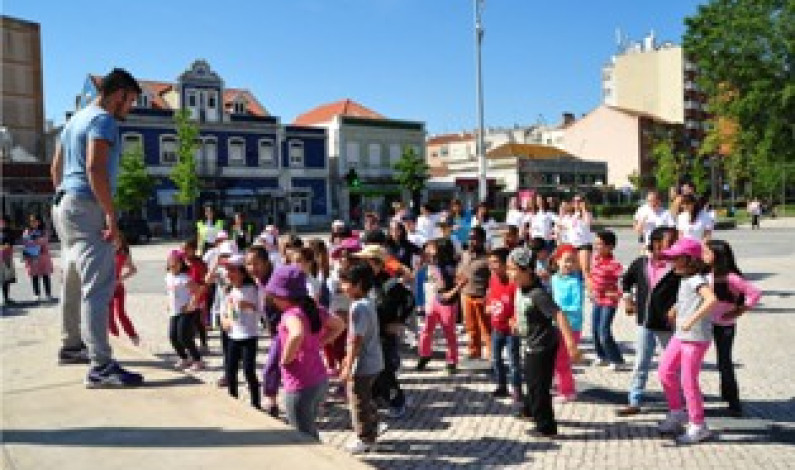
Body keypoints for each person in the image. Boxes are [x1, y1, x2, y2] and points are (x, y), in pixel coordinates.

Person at [50, 68, 144, 386]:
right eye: (130, 101)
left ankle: (70, 346)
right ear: (118, 96)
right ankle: (101, 366)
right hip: (87, 204)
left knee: (73, 280)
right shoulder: (103, 120)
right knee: (98, 286)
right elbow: (95, 166)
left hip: (65, 203)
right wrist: (110, 215)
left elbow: (56, 168)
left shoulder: (76, 118)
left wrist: (65, 198)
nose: (130, 107)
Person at [508, 247, 581, 437]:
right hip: (530, 343)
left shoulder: (538, 294)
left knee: (539, 386)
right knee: (532, 382)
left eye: (513, 269)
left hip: (542, 346)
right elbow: (523, 310)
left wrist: (571, 345)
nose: (510, 273)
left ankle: (546, 426)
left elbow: (558, 314)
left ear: (526, 270)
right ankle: (531, 409)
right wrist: (517, 322)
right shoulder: (521, 288)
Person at [266, 264, 344, 439]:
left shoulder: (291, 314)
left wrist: (285, 359)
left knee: (302, 435)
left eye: (274, 295)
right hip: (319, 380)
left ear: (284, 295)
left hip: (299, 384)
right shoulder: (313, 309)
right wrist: (319, 342)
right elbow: (339, 325)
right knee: (309, 428)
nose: (273, 299)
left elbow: (297, 333)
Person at [657, 238, 718, 444]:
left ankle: (699, 425)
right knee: (665, 371)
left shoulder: (696, 279)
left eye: (675, 258)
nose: (672, 261)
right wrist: (676, 308)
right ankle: (677, 413)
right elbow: (689, 299)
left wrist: (691, 320)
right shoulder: (686, 278)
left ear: (688, 259)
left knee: (688, 381)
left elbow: (711, 299)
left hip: (695, 337)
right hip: (681, 335)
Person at [616, 227, 680, 416]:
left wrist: (677, 307)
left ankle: (677, 402)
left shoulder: (677, 267)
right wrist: (628, 299)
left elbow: (688, 292)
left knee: (672, 366)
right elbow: (625, 281)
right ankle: (634, 401)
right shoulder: (640, 264)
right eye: (671, 241)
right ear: (656, 243)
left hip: (667, 325)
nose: (674, 244)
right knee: (641, 363)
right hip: (644, 322)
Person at [353, 244, 414, 419]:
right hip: (370, 332)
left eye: (365, 260)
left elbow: (409, 300)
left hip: (385, 333)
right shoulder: (366, 280)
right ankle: (377, 397)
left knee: (385, 369)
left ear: (376, 262)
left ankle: (398, 401)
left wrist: (399, 322)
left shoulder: (389, 282)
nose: (361, 263)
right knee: (373, 369)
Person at [703, 240, 761, 417]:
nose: (702, 256)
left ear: (718, 256)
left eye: (706, 253)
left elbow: (755, 293)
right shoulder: (704, 273)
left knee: (724, 362)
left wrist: (740, 310)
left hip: (724, 325)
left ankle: (733, 401)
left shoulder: (730, 277)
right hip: (704, 323)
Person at [339, 261, 386, 454]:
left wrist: (347, 366)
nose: (342, 287)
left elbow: (355, 340)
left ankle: (364, 438)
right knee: (367, 399)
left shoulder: (358, 307)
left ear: (358, 284)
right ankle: (373, 430)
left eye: (346, 283)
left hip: (363, 364)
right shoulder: (368, 302)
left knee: (358, 401)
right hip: (375, 360)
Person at [220, 254, 264, 410]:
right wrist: (224, 320)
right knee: (230, 371)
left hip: (248, 336)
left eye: (232, 270)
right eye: (227, 270)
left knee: (248, 371)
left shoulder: (253, 289)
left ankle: (256, 404)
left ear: (242, 272)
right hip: (232, 336)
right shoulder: (228, 290)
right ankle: (233, 402)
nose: (228, 274)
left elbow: (261, 311)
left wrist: (249, 306)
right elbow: (224, 311)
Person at [417, 238, 463, 374]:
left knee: (449, 334)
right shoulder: (435, 262)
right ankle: (425, 354)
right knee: (426, 329)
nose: (430, 250)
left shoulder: (450, 267)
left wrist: (454, 290)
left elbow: (458, 282)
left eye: (434, 247)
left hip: (448, 303)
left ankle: (452, 362)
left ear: (441, 250)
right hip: (436, 300)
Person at [550, 244, 584, 403]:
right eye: (566, 260)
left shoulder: (575, 282)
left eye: (572, 261)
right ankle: (561, 385)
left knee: (563, 360)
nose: (569, 264)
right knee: (556, 358)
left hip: (571, 325)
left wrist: (558, 309)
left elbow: (576, 305)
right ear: (557, 261)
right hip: (555, 324)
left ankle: (568, 391)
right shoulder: (554, 279)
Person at [487, 247, 521, 401]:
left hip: (511, 331)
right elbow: (490, 294)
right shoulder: (493, 278)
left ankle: (517, 389)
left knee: (513, 361)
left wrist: (514, 318)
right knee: (496, 359)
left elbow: (518, 303)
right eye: (490, 262)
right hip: (496, 327)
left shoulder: (514, 283)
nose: (492, 266)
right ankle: (501, 386)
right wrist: (488, 304)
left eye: (495, 262)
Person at [589, 230, 625, 369]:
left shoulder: (615, 265)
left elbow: (624, 283)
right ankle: (602, 356)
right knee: (595, 330)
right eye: (595, 244)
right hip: (597, 301)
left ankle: (617, 360)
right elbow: (593, 277)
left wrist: (615, 294)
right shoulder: (596, 259)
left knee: (604, 331)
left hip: (609, 303)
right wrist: (592, 291)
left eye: (600, 244)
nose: (596, 247)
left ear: (610, 247)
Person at [458, 226, 492, 360]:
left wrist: (489, 297)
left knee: (486, 329)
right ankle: (474, 352)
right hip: (466, 296)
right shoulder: (465, 255)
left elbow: (493, 280)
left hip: (482, 297)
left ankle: (491, 355)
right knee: (471, 328)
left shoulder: (488, 259)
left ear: (482, 240)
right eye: (470, 238)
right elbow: (460, 270)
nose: (472, 241)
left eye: (475, 238)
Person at [166, 249, 203, 371]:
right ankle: (184, 358)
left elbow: (198, 291)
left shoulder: (185, 278)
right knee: (172, 336)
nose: (172, 265)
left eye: (175, 262)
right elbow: (170, 293)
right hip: (174, 311)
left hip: (187, 312)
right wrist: (168, 303)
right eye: (170, 262)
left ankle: (197, 360)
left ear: (181, 264)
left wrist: (190, 304)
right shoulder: (168, 277)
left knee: (184, 337)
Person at [108, 236, 139, 345]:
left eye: (118, 242)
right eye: (113, 242)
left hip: (118, 288)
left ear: (121, 243)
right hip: (107, 288)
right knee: (109, 316)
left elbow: (133, 269)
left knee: (120, 313)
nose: (115, 244)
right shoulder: (105, 254)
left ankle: (133, 336)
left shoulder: (123, 254)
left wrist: (121, 278)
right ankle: (115, 341)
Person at [183, 238, 209, 352]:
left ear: (194, 250)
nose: (184, 251)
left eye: (187, 249)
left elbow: (204, 281)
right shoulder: (181, 262)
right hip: (185, 296)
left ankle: (203, 343)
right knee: (187, 322)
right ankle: (190, 344)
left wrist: (199, 292)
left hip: (198, 295)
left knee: (198, 321)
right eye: (183, 249)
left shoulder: (199, 263)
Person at [21, 213, 54, 302]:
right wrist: (33, 241)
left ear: (39, 222)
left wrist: (35, 240)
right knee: (34, 275)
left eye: (35, 221)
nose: (33, 223)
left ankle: (48, 294)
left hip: (43, 255)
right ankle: (36, 294)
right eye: (31, 221)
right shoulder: (27, 231)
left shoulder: (43, 231)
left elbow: (45, 240)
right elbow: (25, 241)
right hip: (32, 256)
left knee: (45, 275)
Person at [569, 196, 594, 282]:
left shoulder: (587, 214)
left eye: (579, 201)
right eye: (574, 201)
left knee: (585, 270)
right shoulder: (572, 215)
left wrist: (583, 209)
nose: (577, 203)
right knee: (575, 271)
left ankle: (591, 292)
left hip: (584, 244)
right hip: (573, 245)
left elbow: (587, 223)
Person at [1, 215, 17, 306]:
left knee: (6, 279)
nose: (1, 223)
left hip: (6, 257)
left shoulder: (9, 232)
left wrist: (3, 247)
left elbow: (9, 245)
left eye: (3, 222)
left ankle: (6, 298)